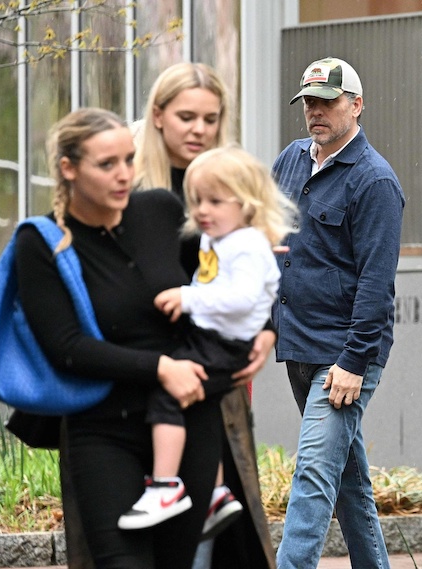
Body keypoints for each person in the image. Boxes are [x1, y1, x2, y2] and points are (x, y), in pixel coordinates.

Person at [15, 107, 221, 568]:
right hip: (103, 432)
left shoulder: (161, 211)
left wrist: (263, 327)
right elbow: (66, 347)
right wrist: (161, 368)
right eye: (106, 164)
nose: (124, 174)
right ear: (68, 168)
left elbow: (215, 281)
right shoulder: (42, 241)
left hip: (188, 423)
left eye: (128, 159)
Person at [132, 61, 277, 568]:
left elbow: (257, 265)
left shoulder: (226, 181)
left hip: (210, 356)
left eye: (210, 119)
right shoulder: (128, 181)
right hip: (145, 363)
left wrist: (268, 328)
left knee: (219, 511)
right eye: (186, 117)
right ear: (158, 115)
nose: (199, 129)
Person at [118, 145, 293, 539]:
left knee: (168, 396)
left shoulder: (246, 245)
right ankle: (214, 494)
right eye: (196, 201)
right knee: (201, 410)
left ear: (246, 204)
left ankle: (165, 486)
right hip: (213, 338)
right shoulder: (219, 239)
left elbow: (242, 298)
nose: (201, 211)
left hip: (225, 345)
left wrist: (188, 298)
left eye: (215, 201)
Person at [271, 57, 405, 569]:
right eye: (309, 102)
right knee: (348, 482)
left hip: (344, 356)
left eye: (328, 101)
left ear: (356, 105)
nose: (316, 111)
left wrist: (353, 361)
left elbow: (376, 282)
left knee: (312, 473)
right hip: (297, 344)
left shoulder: (375, 181)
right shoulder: (290, 160)